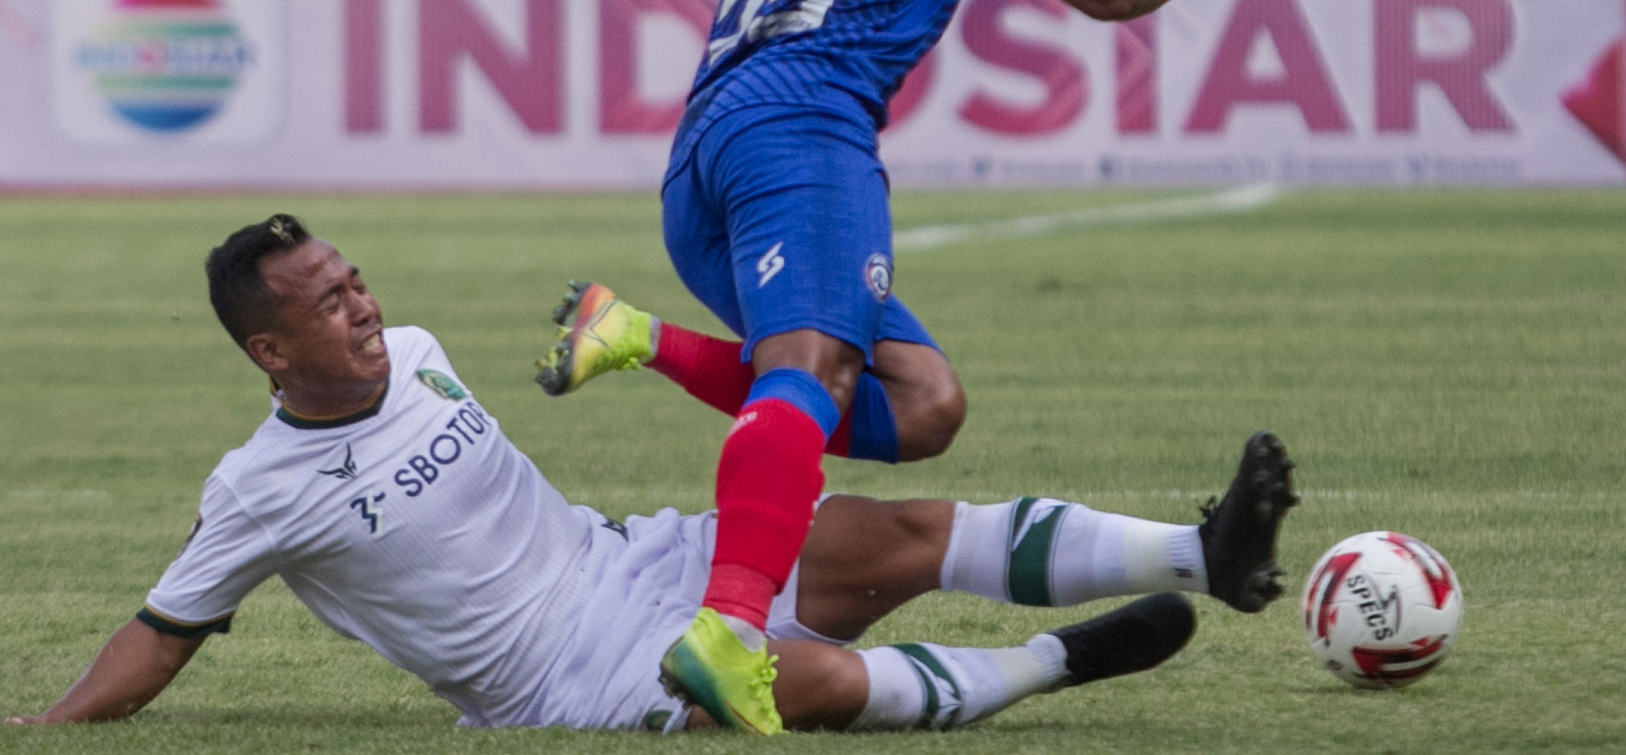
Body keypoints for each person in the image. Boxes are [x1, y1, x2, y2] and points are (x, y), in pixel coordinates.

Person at [567, 0, 1244, 728]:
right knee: (813, 371)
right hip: (806, 140)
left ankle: (637, 335)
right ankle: (731, 628)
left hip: (703, 159)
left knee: (923, 405)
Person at [6, 215, 1296, 734]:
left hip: (631, 559)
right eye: (326, 302)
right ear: (268, 348)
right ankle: (1055, 664)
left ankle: (1203, 556)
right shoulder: (257, 489)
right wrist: (50, 726)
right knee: (803, 677)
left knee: (877, 528)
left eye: (354, 279)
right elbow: (165, 630)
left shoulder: (416, 349)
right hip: (563, 676)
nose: (363, 304)